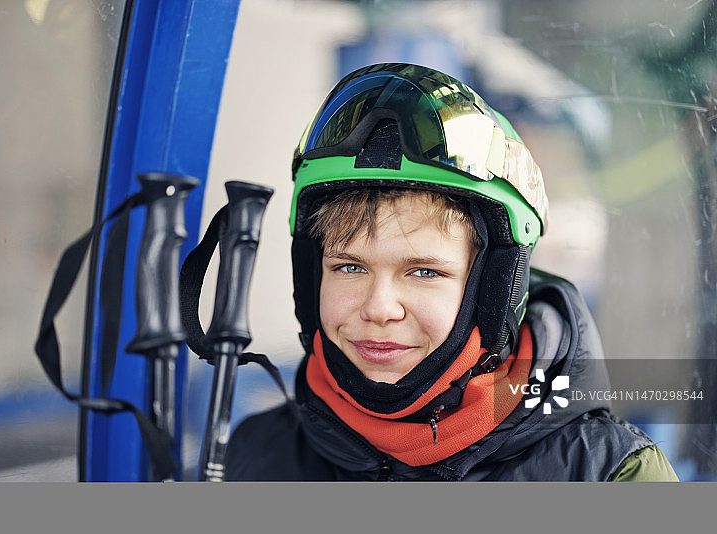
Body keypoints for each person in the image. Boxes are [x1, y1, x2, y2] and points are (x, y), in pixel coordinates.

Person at [225, 63, 678, 481]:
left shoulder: (609, 474)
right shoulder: (255, 452)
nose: (379, 308)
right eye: (349, 266)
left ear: (493, 292)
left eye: (423, 272)